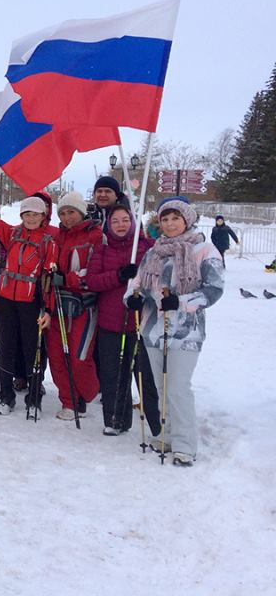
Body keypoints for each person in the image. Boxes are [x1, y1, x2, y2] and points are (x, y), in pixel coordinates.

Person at [126, 197, 224, 466]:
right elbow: (138, 282)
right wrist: (132, 297)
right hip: (153, 329)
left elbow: (213, 289)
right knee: (161, 386)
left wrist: (181, 302)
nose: (170, 224)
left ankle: (184, 443)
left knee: (178, 387)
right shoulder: (155, 251)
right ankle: (167, 434)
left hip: (185, 332)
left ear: (187, 220)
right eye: (165, 219)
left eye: (175, 218)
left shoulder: (204, 250)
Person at [0, 177, 59, 415]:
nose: (30, 218)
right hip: (5, 300)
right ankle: (6, 396)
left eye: (35, 214)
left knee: (32, 349)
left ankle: (33, 398)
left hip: (31, 302)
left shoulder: (48, 242)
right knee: (6, 347)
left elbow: (49, 280)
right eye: (27, 214)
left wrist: (48, 309)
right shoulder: (11, 234)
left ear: (43, 216)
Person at [85, 204, 160, 436]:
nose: (120, 225)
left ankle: (158, 425)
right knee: (113, 374)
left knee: (146, 375)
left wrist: (141, 288)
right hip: (111, 320)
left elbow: (159, 278)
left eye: (125, 220)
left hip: (141, 321)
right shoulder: (102, 249)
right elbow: (93, 281)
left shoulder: (147, 247)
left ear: (132, 222)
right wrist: (118, 276)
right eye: (115, 221)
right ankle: (116, 418)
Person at [45, 192, 103, 421]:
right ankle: (69, 402)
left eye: (71, 212)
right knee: (57, 357)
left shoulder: (96, 236)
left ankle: (87, 394)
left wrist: (68, 279)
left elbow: (96, 271)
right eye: (63, 213)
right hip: (59, 303)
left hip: (84, 306)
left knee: (79, 359)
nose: (67, 217)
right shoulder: (58, 237)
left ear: (81, 212)